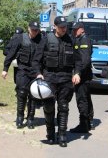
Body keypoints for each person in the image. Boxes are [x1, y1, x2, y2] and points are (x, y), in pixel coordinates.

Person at [32, 16, 80, 147]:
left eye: (65, 27)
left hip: (65, 78)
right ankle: (50, 134)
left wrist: (77, 73)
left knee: (63, 107)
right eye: (61, 27)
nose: (64, 29)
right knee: (48, 107)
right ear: (55, 26)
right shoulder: (46, 39)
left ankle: (62, 135)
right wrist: (38, 73)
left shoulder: (70, 40)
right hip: (49, 78)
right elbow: (36, 60)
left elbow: (78, 60)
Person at [2, 22, 42, 129]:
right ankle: (20, 117)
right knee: (21, 93)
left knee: (33, 95)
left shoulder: (41, 40)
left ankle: (30, 119)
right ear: (28, 29)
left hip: (35, 72)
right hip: (23, 70)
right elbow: (11, 53)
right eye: (33, 29)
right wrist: (5, 69)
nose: (35, 32)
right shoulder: (21, 38)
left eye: (36, 30)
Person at [70, 22, 94, 133]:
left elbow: (84, 60)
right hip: (82, 75)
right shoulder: (78, 39)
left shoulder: (84, 40)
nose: (74, 31)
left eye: (76, 29)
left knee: (82, 99)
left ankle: (84, 124)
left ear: (82, 29)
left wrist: (78, 73)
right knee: (86, 98)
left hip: (83, 76)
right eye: (73, 29)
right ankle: (89, 122)